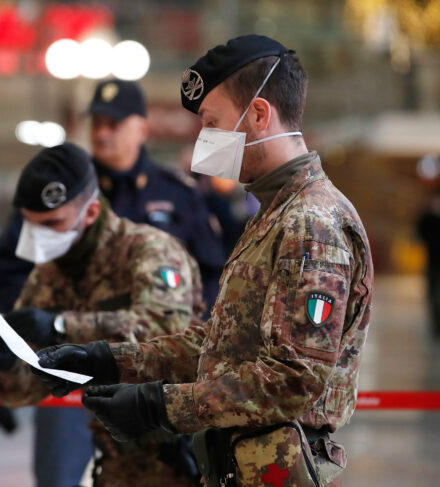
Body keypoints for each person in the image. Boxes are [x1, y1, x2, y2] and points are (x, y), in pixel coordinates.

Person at [37, 35, 373, 487]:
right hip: (236, 467)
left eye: (212, 123)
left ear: (258, 114)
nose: (203, 141)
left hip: (274, 471)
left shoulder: (312, 223)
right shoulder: (275, 214)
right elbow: (222, 345)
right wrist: (109, 360)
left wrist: (159, 406)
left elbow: (294, 380)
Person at [0, 143, 204, 486]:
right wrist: (2, 367)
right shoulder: (49, 272)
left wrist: (60, 326)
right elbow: (34, 386)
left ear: (90, 212)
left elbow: (166, 331)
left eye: (52, 223)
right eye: (31, 225)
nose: (40, 236)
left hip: (176, 450)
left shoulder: (149, 250)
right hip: (115, 456)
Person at [88, 79, 225, 309]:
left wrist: (196, 330)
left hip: (162, 333)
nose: (102, 133)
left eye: (113, 124)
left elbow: (211, 274)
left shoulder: (177, 193)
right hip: (82, 334)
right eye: (96, 123)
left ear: (142, 129)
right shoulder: (74, 192)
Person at [418, 189, 440, 337]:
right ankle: (436, 324)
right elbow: (421, 230)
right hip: (434, 262)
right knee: (433, 293)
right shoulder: (429, 217)